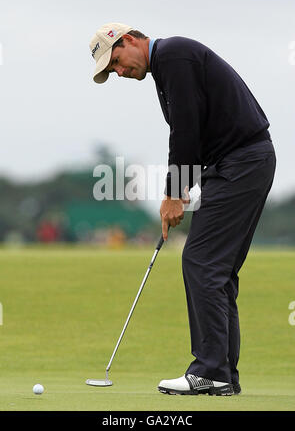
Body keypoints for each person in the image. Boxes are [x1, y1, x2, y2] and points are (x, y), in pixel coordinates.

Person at [89, 23, 276, 396]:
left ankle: (209, 370)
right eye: (112, 72)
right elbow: (194, 131)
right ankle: (223, 374)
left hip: (240, 163)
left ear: (128, 41)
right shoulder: (169, 65)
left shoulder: (174, 55)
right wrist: (187, 184)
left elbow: (185, 128)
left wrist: (174, 193)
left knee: (201, 261)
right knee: (216, 270)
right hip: (238, 164)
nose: (120, 73)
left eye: (117, 62)